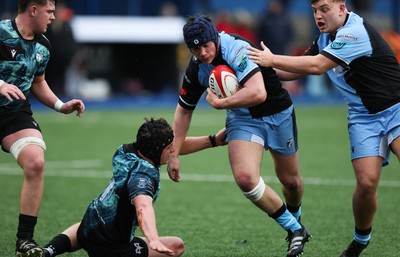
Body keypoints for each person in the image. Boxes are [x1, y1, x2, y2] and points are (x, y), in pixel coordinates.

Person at [247, 0, 400, 256]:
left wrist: (270, 58)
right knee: (366, 183)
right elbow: (294, 71)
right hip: (363, 117)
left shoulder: (355, 31)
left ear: (342, 8)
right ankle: (360, 240)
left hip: (396, 107)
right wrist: (255, 67)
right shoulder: (324, 39)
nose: (318, 15)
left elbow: (317, 66)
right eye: (314, 10)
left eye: (325, 9)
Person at [167, 14, 311, 257]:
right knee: (245, 178)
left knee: (292, 182)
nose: (202, 52)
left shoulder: (236, 47)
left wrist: (221, 104)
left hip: (278, 112)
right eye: (195, 48)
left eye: (206, 45)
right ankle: (295, 229)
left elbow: (258, 93)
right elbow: (183, 112)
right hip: (243, 119)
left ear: (215, 38)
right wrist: (173, 155)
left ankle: (294, 220)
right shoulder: (196, 68)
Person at [25, 117, 227, 257]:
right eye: (169, 148)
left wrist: (212, 141)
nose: (174, 150)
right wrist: (153, 238)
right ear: (157, 151)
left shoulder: (127, 151)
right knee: (176, 245)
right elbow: (143, 207)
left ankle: (49, 251)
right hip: (111, 246)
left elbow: (176, 145)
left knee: (87, 224)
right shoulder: (144, 175)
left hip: (90, 226)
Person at [0, 0, 85, 256]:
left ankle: (24, 241)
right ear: (33, 10)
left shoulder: (43, 45)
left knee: (36, 161)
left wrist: (61, 105)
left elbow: (38, 82)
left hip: (14, 114)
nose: (53, 17)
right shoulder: (1, 33)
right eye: (49, 11)